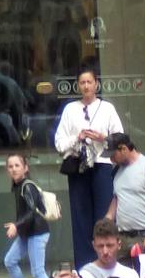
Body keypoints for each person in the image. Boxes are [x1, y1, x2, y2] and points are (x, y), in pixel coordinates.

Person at [54, 69, 125, 263]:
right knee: (80, 217)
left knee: (103, 216)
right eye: (82, 82)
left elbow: (121, 139)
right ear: (78, 85)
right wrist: (78, 137)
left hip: (102, 165)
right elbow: (59, 143)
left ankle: (106, 260)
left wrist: (102, 138)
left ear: (96, 85)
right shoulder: (70, 109)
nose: (86, 86)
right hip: (78, 166)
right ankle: (84, 266)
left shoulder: (107, 108)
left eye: (89, 82)